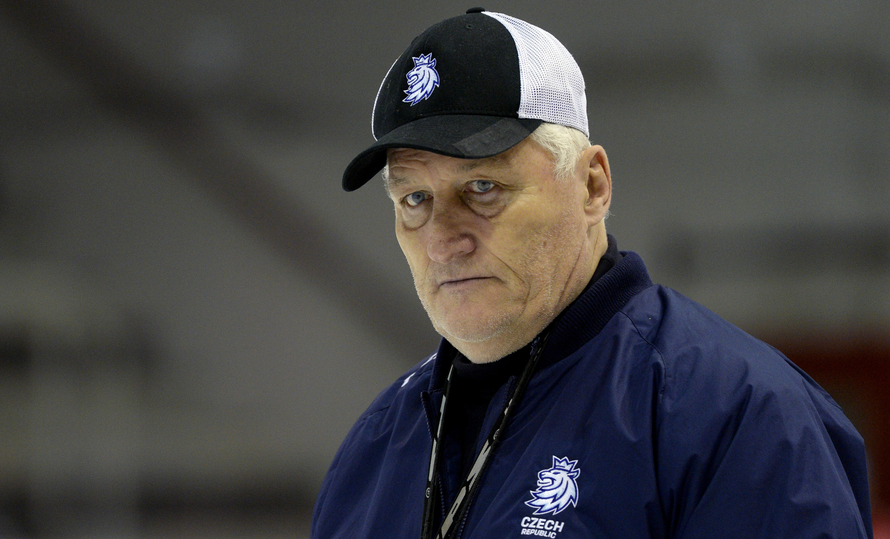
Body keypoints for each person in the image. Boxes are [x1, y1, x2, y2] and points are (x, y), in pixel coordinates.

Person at [311, 8, 873, 539]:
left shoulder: (736, 416)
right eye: (414, 198)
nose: (442, 241)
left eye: (482, 187)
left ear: (592, 186)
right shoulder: (374, 447)